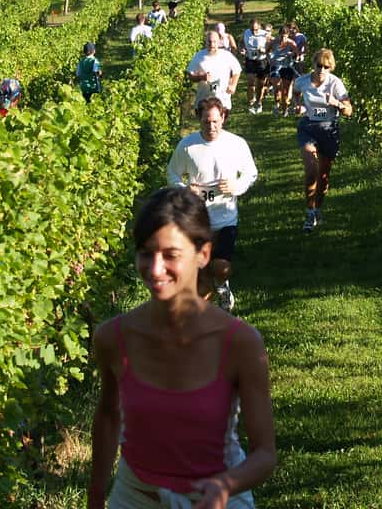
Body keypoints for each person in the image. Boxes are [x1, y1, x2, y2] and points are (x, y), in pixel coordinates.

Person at [87, 186, 276, 509]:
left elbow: (265, 454)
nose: (155, 269)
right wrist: (95, 496)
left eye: (171, 255)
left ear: (203, 254)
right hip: (136, 497)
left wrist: (225, 484)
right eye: (146, 253)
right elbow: (108, 415)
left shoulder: (240, 343)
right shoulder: (113, 338)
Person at [167, 97, 258, 311]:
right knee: (200, 273)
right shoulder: (187, 146)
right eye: (207, 122)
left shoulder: (236, 144)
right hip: (197, 220)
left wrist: (235, 186)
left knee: (220, 267)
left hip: (226, 218)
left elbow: (251, 173)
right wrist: (185, 189)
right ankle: (206, 316)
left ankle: (222, 285)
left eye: (216, 121)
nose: (211, 126)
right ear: (200, 119)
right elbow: (172, 173)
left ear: (223, 118)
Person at [292, 49, 353, 232]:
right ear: (314, 64)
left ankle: (318, 208)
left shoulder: (336, 84)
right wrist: (298, 105)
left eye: (326, 67)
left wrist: (337, 104)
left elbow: (349, 110)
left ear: (331, 67)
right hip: (308, 127)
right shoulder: (303, 81)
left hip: (329, 129)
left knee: (324, 177)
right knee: (311, 170)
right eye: (319, 65)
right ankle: (309, 212)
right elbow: (294, 92)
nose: (322, 70)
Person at [186, 30, 242, 117]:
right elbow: (190, 75)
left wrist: (233, 85)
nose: (212, 44)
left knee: (218, 127)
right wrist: (201, 77)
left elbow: (237, 70)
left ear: (219, 42)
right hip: (204, 100)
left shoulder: (226, 55)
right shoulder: (198, 56)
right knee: (206, 127)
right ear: (205, 42)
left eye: (214, 42)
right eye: (209, 42)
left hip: (223, 100)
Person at [267, 26, 298, 116]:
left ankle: (285, 110)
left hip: (287, 67)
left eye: (285, 36)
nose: (283, 38)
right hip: (276, 66)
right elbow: (267, 51)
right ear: (279, 34)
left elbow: (297, 54)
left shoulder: (291, 43)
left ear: (288, 35)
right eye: (281, 36)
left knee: (285, 90)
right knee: (277, 86)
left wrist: (292, 54)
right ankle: (276, 105)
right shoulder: (274, 42)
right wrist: (270, 59)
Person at [241, 19, 269, 114]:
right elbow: (241, 42)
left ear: (259, 27)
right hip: (250, 60)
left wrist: (264, 50)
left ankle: (259, 103)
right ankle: (251, 104)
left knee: (260, 85)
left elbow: (272, 46)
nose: (253, 31)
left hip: (262, 61)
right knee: (250, 82)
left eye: (255, 29)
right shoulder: (246, 33)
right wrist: (242, 49)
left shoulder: (265, 34)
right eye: (252, 29)